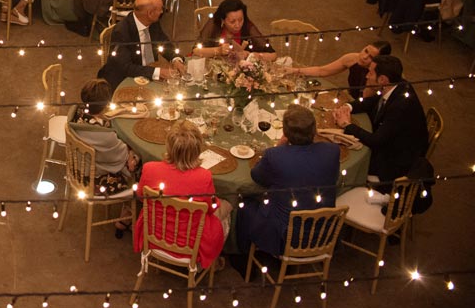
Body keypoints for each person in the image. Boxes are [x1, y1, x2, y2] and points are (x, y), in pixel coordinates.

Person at [235, 104, 341, 262]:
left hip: (284, 237)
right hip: (322, 232)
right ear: (314, 130)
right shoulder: (332, 151)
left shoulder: (276, 156)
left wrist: (278, 146)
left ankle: (241, 258)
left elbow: (257, 176)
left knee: (244, 204)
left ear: (285, 132)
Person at [134, 120, 230, 271]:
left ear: (169, 146)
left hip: (153, 237)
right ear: (198, 149)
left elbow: (140, 196)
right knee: (227, 208)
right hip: (189, 245)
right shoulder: (204, 177)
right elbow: (211, 209)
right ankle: (211, 261)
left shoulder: (149, 169)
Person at [333, 55, 429, 186]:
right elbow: (374, 101)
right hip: (391, 141)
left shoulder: (401, 106)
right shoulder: (396, 85)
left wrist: (346, 124)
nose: (367, 76)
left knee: (336, 162)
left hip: (393, 161)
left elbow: (376, 141)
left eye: (371, 73)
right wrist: (348, 107)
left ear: (383, 79)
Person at [68, 78, 141, 233]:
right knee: (141, 168)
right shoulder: (103, 136)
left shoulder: (78, 114)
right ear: (106, 104)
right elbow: (122, 157)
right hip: (95, 181)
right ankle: (127, 214)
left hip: (78, 170)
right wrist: (133, 154)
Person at [98, 0, 185, 88]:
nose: (162, 11)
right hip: (126, 80)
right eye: (160, 9)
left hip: (148, 73)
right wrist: (159, 72)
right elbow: (125, 67)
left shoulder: (153, 22)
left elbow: (164, 43)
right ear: (150, 13)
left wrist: (176, 59)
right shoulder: (121, 31)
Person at [291, 40, 391, 99]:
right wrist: (295, 70)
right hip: (351, 97)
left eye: (371, 57)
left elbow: (365, 98)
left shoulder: (379, 77)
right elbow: (322, 70)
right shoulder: (353, 58)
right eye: (366, 51)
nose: (364, 57)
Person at [193, 0, 275, 59]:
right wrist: (219, 50)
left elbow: (273, 55)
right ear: (223, 20)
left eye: (240, 20)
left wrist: (250, 55)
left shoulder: (247, 27)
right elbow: (195, 51)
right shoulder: (215, 24)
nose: (237, 25)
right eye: (232, 21)